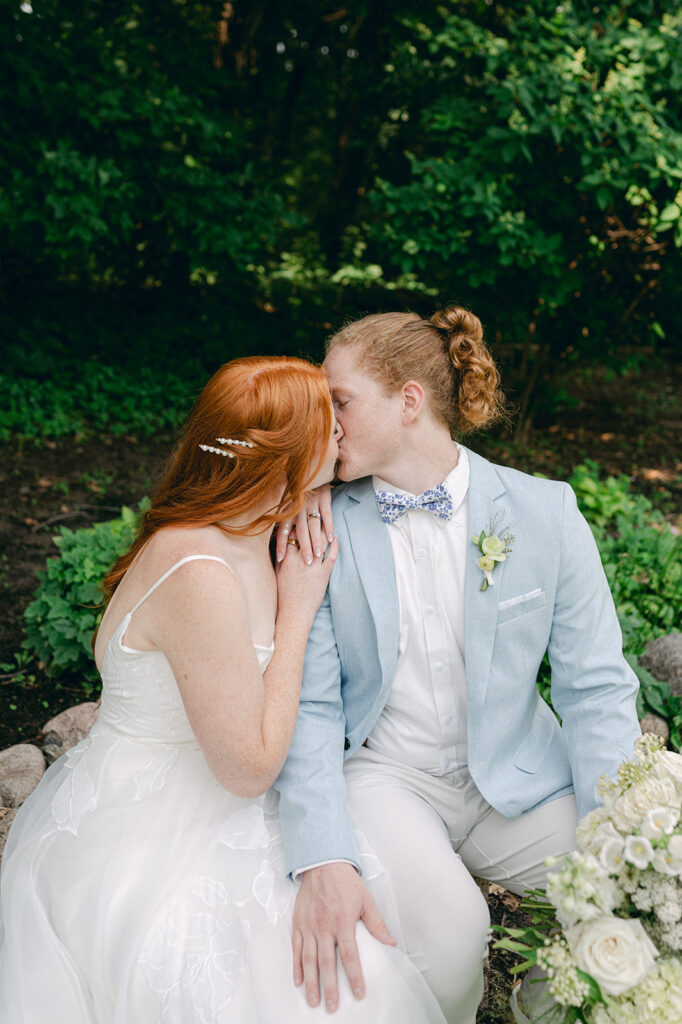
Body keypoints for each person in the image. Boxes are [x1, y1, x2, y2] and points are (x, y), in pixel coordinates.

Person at [0, 356, 446, 1024]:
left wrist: (306, 489)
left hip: (228, 798)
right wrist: (297, 611)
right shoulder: (200, 569)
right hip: (158, 825)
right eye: (328, 424)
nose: (344, 432)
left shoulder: (257, 523)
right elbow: (247, 769)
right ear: (282, 461)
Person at [274, 308, 642, 1023]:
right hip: (388, 776)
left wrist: (614, 832)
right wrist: (322, 853)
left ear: (410, 401)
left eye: (339, 402)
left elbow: (595, 686)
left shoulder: (547, 513)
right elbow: (311, 705)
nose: (323, 423)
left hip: (519, 776)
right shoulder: (319, 522)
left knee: (605, 911)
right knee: (452, 940)